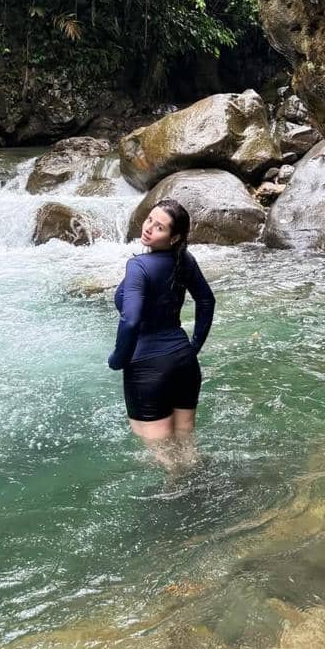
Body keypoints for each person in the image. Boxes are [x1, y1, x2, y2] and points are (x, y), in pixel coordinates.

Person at [108, 199, 215, 465]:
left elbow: (131, 320)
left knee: (162, 453)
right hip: (184, 363)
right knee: (187, 447)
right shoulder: (184, 260)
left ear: (174, 236)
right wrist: (194, 348)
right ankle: (201, 487)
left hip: (147, 367)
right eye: (149, 220)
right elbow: (206, 301)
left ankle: (180, 500)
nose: (149, 229)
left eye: (159, 227)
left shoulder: (138, 266)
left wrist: (118, 359)